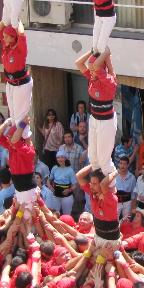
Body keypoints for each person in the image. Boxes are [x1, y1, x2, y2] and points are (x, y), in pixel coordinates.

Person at [75, 48, 117, 177]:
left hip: (106, 122)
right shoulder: (92, 77)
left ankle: (110, 184)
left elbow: (100, 66)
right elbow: (78, 63)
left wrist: (105, 53)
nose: (90, 70)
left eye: (92, 68)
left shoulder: (109, 81)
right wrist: (92, 50)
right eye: (90, 68)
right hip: (94, 119)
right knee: (93, 157)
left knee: (104, 160)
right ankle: (97, 182)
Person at [0, 118, 37, 213]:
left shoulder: (28, 150)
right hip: (17, 182)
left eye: (10, 136)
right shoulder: (11, 145)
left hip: (27, 184)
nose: (8, 138)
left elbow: (14, 141)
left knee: (27, 211)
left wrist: (22, 124)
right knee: (21, 209)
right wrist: (5, 124)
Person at [0, 22, 33, 139]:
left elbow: (21, 33)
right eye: (4, 36)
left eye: (6, 36)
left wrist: (16, 20)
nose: (3, 38)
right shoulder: (6, 45)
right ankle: (17, 135)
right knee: (13, 114)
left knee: (21, 114)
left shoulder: (20, 48)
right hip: (10, 84)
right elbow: (0, 27)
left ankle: (25, 138)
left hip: (21, 84)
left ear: (13, 37)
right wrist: (6, 16)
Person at [77, 164, 120, 253]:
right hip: (98, 237)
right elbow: (79, 176)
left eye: (94, 183)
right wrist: (94, 163)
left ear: (101, 184)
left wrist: (117, 171)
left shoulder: (111, 198)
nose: (91, 186)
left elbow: (104, 184)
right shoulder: (93, 193)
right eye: (91, 183)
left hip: (110, 242)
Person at [48, 148, 77, 215]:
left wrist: (69, 190)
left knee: (66, 214)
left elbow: (75, 185)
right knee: (54, 214)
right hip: (55, 195)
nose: (60, 159)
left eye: (62, 157)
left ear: (65, 158)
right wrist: (50, 186)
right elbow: (49, 179)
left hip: (66, 197)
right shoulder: (54, 168)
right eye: (58, 157)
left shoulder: (70, 170)